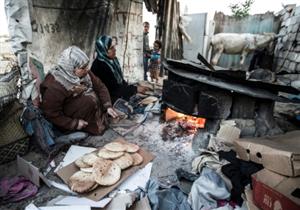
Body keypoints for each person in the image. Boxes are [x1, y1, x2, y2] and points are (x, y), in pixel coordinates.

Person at [40, 46, 118, 135]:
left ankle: (99, 125)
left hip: (94, 119)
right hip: (74, 126)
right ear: (71, 68)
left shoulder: (85, 74)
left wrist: (107, 106)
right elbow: (51, 113)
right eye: (83, 67)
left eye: (86, 65)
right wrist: (74, 123)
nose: (87, 69)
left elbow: (100, 87)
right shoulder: (55, 85)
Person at [91, 35, 148, 103]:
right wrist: (135, 89)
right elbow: (113, 89)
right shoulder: (100, 65)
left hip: (116, 94)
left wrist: (134, 88)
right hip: (106, 99)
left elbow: (120, 81)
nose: (115, 49)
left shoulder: (113, 61)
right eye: (111, 48)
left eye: (114, 46)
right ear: (103, 50)